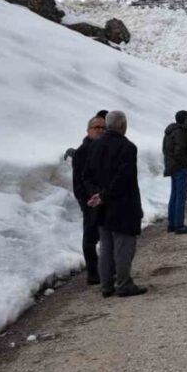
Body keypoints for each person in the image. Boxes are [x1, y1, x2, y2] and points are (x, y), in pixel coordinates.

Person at [82, 110, 147, 299]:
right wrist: (105, 195)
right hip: (123, 205)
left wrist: (97, 194)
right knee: (123, 247)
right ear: (123, 126)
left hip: (102, 206)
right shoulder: (127, 147)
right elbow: (123, 178)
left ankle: (106, 285)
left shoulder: (94, 146)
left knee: (106, 246)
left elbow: (86, 175)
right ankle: (124, 284)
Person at [71, 114, 107, 284]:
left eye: (103, 127)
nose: (100, 130)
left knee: (106, 235)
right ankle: (93, 273)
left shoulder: (105, 148)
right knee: (90, 237)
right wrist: (87, 200)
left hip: (106, 199)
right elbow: (79, 180)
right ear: (88, 130)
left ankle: (107, 269)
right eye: (96, 127)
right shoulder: (82, 151)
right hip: (89, 201)